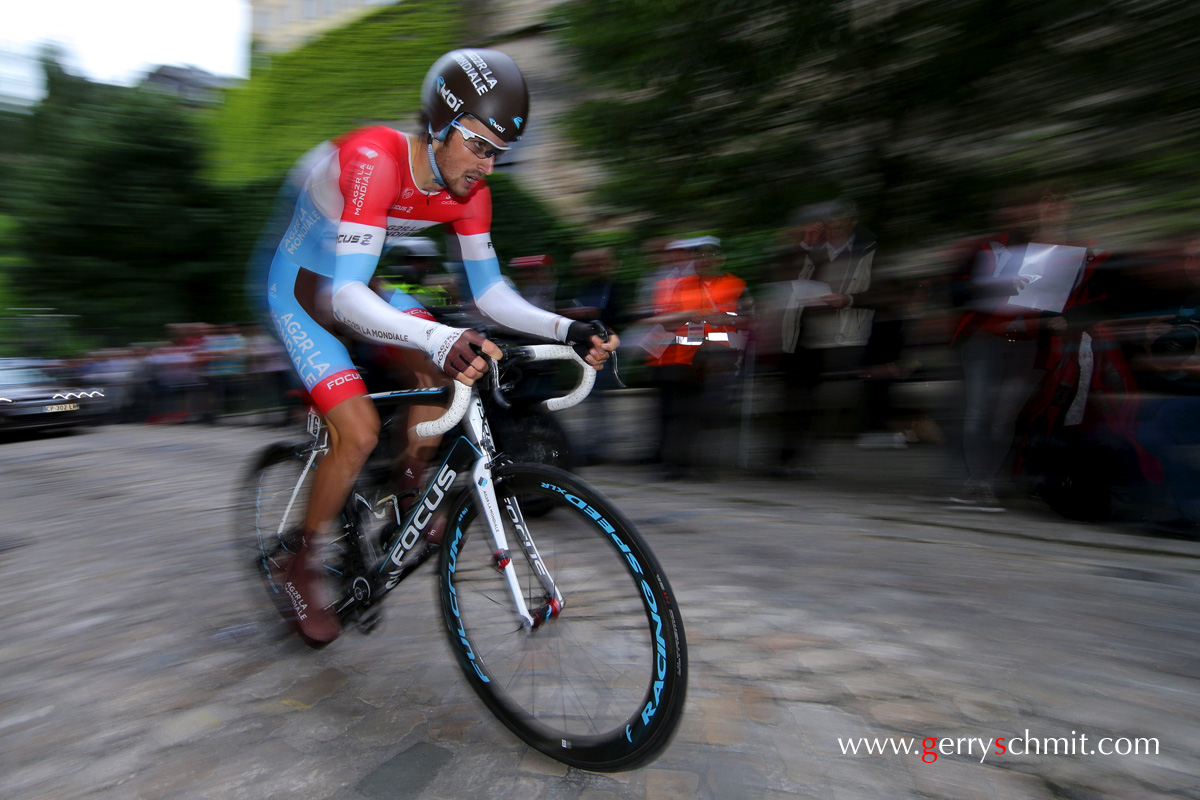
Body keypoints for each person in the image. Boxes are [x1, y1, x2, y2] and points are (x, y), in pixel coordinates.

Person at [259, 49, 617, 644]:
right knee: (361, 430)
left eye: (499, 152)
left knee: (451, 370)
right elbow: (342, 296)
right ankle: (302, 557)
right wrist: (440, 334)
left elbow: (493, 294)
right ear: (439, 126)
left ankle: (407, 485)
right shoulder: (373, 158)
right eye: (480, 145)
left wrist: (565, 328)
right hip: (302, 289)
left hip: (361, 284)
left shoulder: (471, 189)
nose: (490, 166)